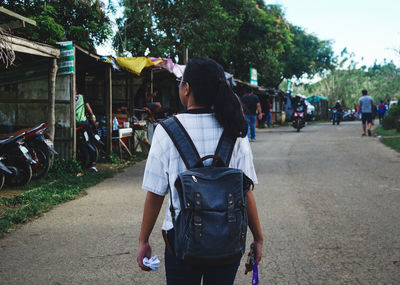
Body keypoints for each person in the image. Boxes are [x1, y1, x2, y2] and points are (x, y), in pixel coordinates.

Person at [137, 57, 263, 284]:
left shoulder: (166, 131)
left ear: (187, 89)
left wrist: (143, 240)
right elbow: (245, 191)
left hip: (181, 241)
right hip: (227, 237)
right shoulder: (234, 130)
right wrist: (258, 238)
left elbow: (155, 193)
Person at [75, 90, 97, 171]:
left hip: (74, 124)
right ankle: (92, 163)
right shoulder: (81, 97)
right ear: (76, 90)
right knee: (89, 141)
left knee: (78, 142)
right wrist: (93, 119)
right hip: (83, 123)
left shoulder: (68, 97)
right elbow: (89, 110)